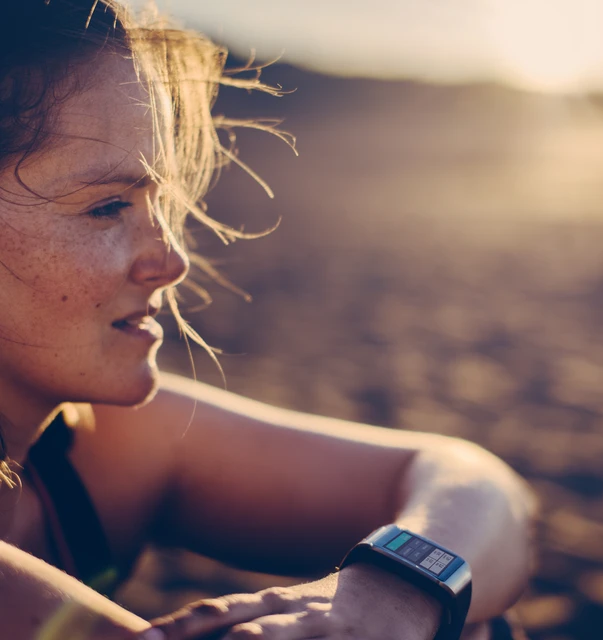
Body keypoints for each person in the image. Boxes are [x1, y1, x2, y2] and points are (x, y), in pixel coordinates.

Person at [0, 1, 536, 639]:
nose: (170, 260)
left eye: (159, 200)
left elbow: (480, 489)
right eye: (107, 207)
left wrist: (398, 590)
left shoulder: (100, 446)